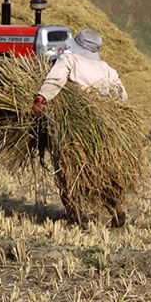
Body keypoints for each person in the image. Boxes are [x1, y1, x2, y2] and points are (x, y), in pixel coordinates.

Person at [31, 28, 129, 227]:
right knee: (103, 169)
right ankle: (116, 207)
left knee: (66, 169)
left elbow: (55, 80)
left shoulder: (69, 60)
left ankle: (73, 217)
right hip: (104, 128)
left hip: (75, 126)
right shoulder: (108, 69)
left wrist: (41, 99)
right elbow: (122, 96)